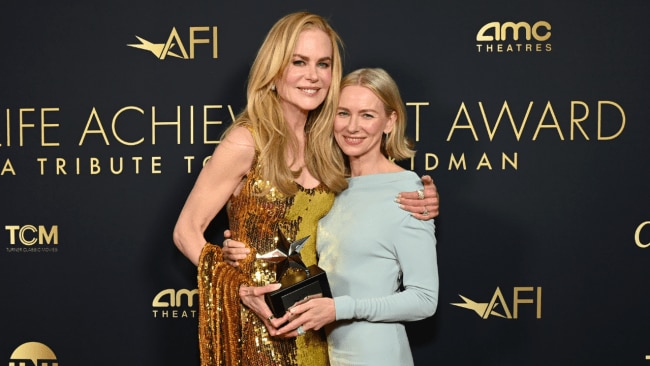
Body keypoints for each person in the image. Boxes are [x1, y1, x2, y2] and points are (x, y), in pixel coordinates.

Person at [172, 12, 438, 366]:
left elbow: (369, 199)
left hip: (319, 331)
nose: (312, 76)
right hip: (261, 325)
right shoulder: (247, 141)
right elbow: (185, 231)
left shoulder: (330, 144)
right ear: (275, 70)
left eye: (323, 64)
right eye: (299, 62)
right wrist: (237, 284)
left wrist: (424, 200)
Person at [273, 68, 439, 366]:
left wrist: (340, 309)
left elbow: (424, 299)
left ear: (390, 121)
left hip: (377, 356)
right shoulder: (330, 185)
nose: (352, 126)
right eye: (343, 113)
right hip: (328, 354)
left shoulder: (408, 192)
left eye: (367, 115)